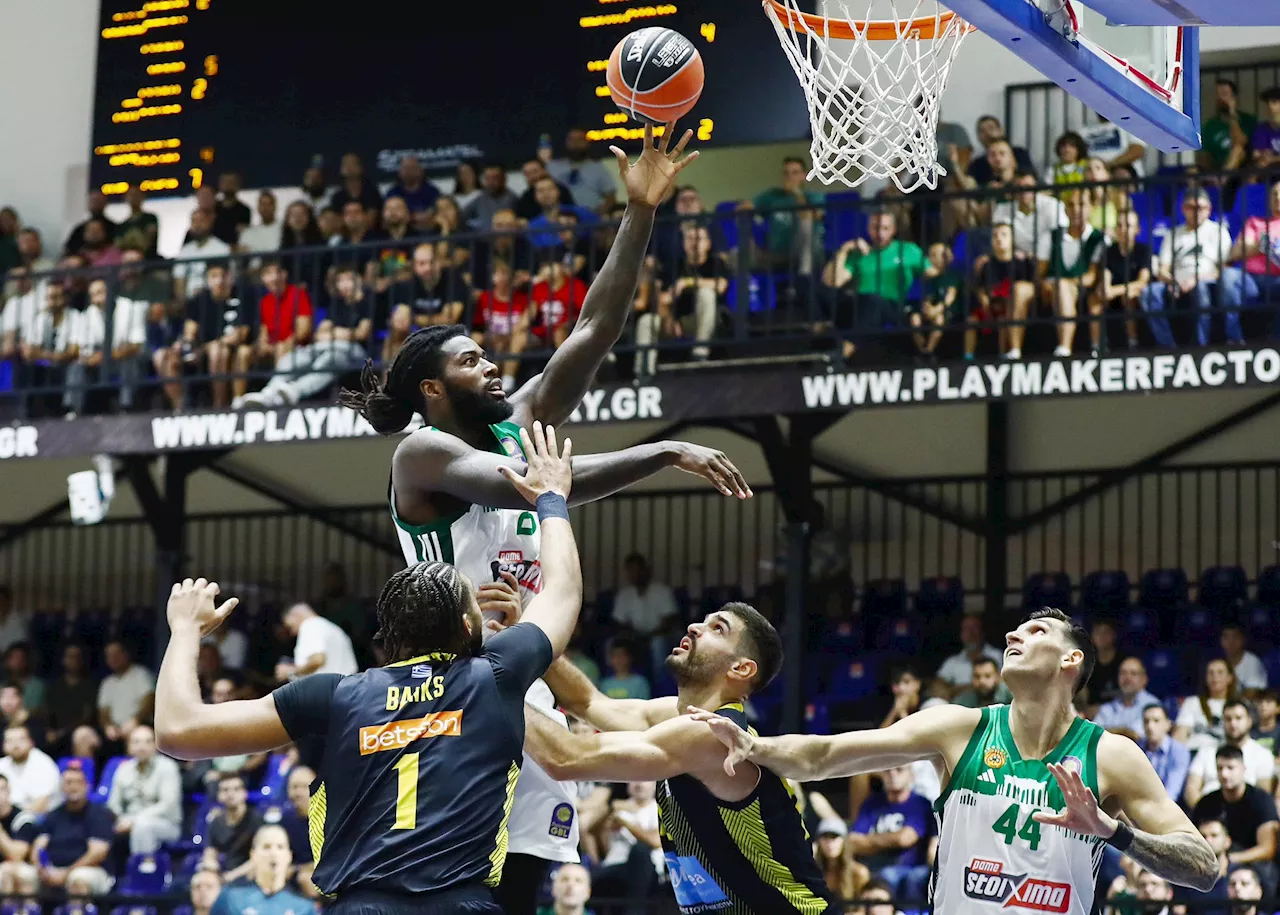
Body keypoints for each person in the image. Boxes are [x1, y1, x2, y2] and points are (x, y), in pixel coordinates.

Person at [337, 124, 749, 915]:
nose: (492, 364)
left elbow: (595, 329)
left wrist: (639, 211)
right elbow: (529, 485)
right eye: (469, 360)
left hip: (528, 673)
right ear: (430, 388)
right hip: (455, 683)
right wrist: (662, 450)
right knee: (468, 879)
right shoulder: (419, 455)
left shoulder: (512, 417)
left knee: (527, 869)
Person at [153, 422, 584, 915]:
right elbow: (562, 593)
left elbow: (177, 730)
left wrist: (185, 630)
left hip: (361, 904)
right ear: (471, 628)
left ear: (386, 639)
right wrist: (551, 498)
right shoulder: (495, 675)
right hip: (462, 903)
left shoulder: (335, 695)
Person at [694, 607, 1221, 913]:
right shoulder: (959, 726)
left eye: (1036, 632)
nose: (1013, 635)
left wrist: (1112, 832)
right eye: (1015, 631)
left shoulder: (1110, 754)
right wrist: (757, 747)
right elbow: (828, 754)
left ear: (1071, 659)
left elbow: (1203, 868)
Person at [523, 597, 835, 914]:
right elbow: (588, 703)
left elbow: (563, 759)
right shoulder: (678, 720)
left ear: (740, 667)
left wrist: (491, 677)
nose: (694, 627)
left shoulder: (710, 735)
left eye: (717, 628)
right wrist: (524, 637)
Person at [15, 764, 114, 897]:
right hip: (52, 869)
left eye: (78, 782)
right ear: (62, 787)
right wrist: (41, 869)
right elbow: (38, 847)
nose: (73, 787)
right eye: (68, 783)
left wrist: (66, 873)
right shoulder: (53, 815)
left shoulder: (99, 814)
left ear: (87, 786)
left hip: (89, 869)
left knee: (78, 878)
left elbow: (97, 853)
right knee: (22, 875)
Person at [1191, 745, 1278, 894]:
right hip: (1213, 860)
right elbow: (1194, 841)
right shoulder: (1206, 803)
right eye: (1219, 768)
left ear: (1244, 769)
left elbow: (1268, 849)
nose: (1224, 774)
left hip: (1252, 863)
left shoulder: (1261, 800)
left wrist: (1231, 859)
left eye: (1230, 768)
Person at [849, 764, 935, 902]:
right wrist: (891, 840)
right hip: (871, 868)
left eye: (899, 770)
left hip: (908, 868)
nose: (892, 774)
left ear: (911, 775)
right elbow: (852, 841)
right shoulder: (872, 803)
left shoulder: (920, 803)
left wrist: (869, 842)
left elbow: (904, 838)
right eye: (887, 770)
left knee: (891, 875)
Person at [106, 724, 182, 854]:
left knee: (143, 825)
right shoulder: (123, 769)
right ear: (129, 746)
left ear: (155, 745)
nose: (142, 747)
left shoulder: (167, 767)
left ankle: (142, 870)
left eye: (148, 742)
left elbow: (168, 805)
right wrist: (121, 819)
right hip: (127, 820)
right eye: (136, 742)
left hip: (165, 824)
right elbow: (113, 804)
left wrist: (134, 820)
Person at [1184, 700, 1275, 807]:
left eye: (1238, 718)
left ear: (1249, 721)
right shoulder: (1206, 751)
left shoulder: (1263, 754)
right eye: (1228, 719)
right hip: (1207, 814)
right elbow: (1191, 790)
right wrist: (1204, 815)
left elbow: (1263, 794)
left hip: (1247, 815)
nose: (1233, 723)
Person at [210, 825, 315, 915]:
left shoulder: (304, 906)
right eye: (266, 847)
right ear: (253, 855)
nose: (274, 853)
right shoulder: (231, 897)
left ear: (289, 856)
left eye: (280, 847)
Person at [1096, 210, 1151, 352]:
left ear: (1137, 230)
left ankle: (1132, 342)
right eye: (1119, 225)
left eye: (1128, 225)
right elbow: (1105, 276)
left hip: (1135, 294)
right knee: (1095, 299)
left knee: (1130, 295)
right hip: (1113, 296)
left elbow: (1142, 282)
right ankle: (1097, 346)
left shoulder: (1143, 250)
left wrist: (1115, 290)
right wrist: (1107, 289)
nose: (1123, 229)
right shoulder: (1109, 251)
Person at [273, 602, 358, 681]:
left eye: (290, 627)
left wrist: (290, 671)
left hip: (326, 692)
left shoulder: (310, 625)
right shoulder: (333, 628)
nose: (292, 632)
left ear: (295, 615)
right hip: (345, 688)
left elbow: (318, 659)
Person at [202, 773, 263, 881]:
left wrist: (232, 876)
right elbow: (210, 852)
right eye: (225, 790)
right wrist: (211, 866)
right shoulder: (216, 822)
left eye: (236, 789)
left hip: (251, 874)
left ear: (245, 793)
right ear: (218, 795)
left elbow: (260, 857)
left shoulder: (256, 820)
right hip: (225, 873)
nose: (230, 794)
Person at [98, 641, 155, 752]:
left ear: (126, 654)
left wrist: (135, 720)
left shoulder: (140, 674)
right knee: (83, 735)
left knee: (134, 733)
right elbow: (103, 711)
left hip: (139, 724)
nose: (113, 658)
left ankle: (131, 768)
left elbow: (149, 701)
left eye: (116, 654)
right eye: (109, 656)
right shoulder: (107, 682)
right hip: (114, 729)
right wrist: (108, 726)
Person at [932, 612, 1003, 700]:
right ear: (961, 634)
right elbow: (938, 684)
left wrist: (960, 689)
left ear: (983, 632)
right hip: (960, 706)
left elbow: (1004, 682)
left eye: (974, 628)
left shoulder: (997, 655)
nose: (971, 633)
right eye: (966, 629)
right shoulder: (953, 661)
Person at [1175, 658, 1239, 754]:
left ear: (1230, 678)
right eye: (1211, 673)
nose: (1215, 677)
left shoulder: (1238, 706)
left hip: (1225, 756)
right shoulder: (1192, 702)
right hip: (1194, 753)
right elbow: (1179, 737)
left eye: (1220, 672)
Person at [1093, 657, 1159, 740]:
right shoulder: (1107, 708)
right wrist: (1124, 731)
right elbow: (1094, 734)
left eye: (1133, 673)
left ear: (1144, 679)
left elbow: (1135, 735)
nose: (1127, 678)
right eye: (1123, 673)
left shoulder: (1153, 705)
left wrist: (1106, 731)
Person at [0, 725, 60, 813]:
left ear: (31, 742)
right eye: (10, 741)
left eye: (21, 739)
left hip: (41, 819)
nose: (15, 745)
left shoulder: (43, 763)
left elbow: (40, 806)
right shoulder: (2, 764)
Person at [1140, 703, 1191, 803]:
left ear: (1168, 724)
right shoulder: (1136, 748)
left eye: (1156, 721)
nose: (1150, 726)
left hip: (1168, 808)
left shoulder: (1179, 751)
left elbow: (1172, 791)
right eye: (1146, 721)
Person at [0, 774, 38, 893]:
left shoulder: (23, 819)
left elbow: (16, 855)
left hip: (21, 868)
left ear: (9, 792)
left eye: (1, 790)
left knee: (8, 871)